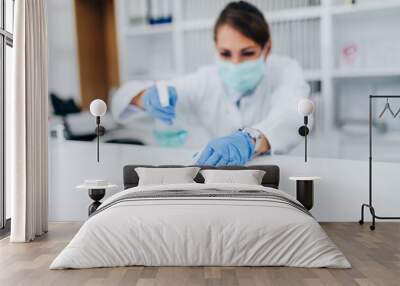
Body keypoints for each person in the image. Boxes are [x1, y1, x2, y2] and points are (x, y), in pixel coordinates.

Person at [111, 1, 311, 166]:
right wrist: (144, 97)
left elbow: (296, 113)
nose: (235, 63)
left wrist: (251, 140)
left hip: (273, 178)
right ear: (216, 49)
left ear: (267, 49)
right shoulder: (205, 81)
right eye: (225, 53)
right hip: (214, 184)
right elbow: (120, 100)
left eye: (247, 53)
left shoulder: (285, 70)